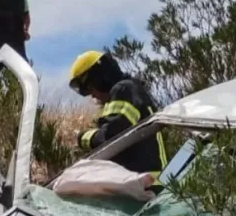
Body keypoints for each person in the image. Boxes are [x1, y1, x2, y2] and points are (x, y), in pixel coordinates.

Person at [68, 50, 169, 180]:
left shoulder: (123, 90)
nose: (92, 95)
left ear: (100, 78)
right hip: (146, 182)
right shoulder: (131, 91)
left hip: (144, 184)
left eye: (90, 87)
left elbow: (111, 137)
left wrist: (82, 138)